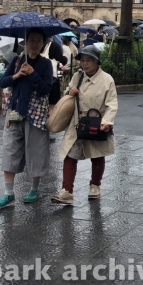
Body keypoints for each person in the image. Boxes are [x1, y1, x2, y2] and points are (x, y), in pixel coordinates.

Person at [0, 28, 54, 208]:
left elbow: (46, 89)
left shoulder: (45, 64)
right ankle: (8, 193)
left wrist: (32, 74)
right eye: (31, 40)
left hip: (35, 115)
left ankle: (35, 189)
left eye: (38, 40)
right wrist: (16, 75)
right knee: (10, 150)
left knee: (35, 150)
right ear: (26, 42)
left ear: (43, 44)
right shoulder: (17, 60)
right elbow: (2, 82)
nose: (35, 44)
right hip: (15, 112)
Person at [51, 45, 117, 205]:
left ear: (96, 62)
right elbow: (68, 92)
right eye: (83, 60)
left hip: (96, 123)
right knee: (70, 155)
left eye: (89, 60)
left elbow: (112, 103)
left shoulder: (107, 79)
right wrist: (70, 93)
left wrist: (107, 122)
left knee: (97, 155)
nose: (85, 64)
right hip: (77, 123)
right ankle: (67, 191)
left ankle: (95, 186)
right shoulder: (77, 76)